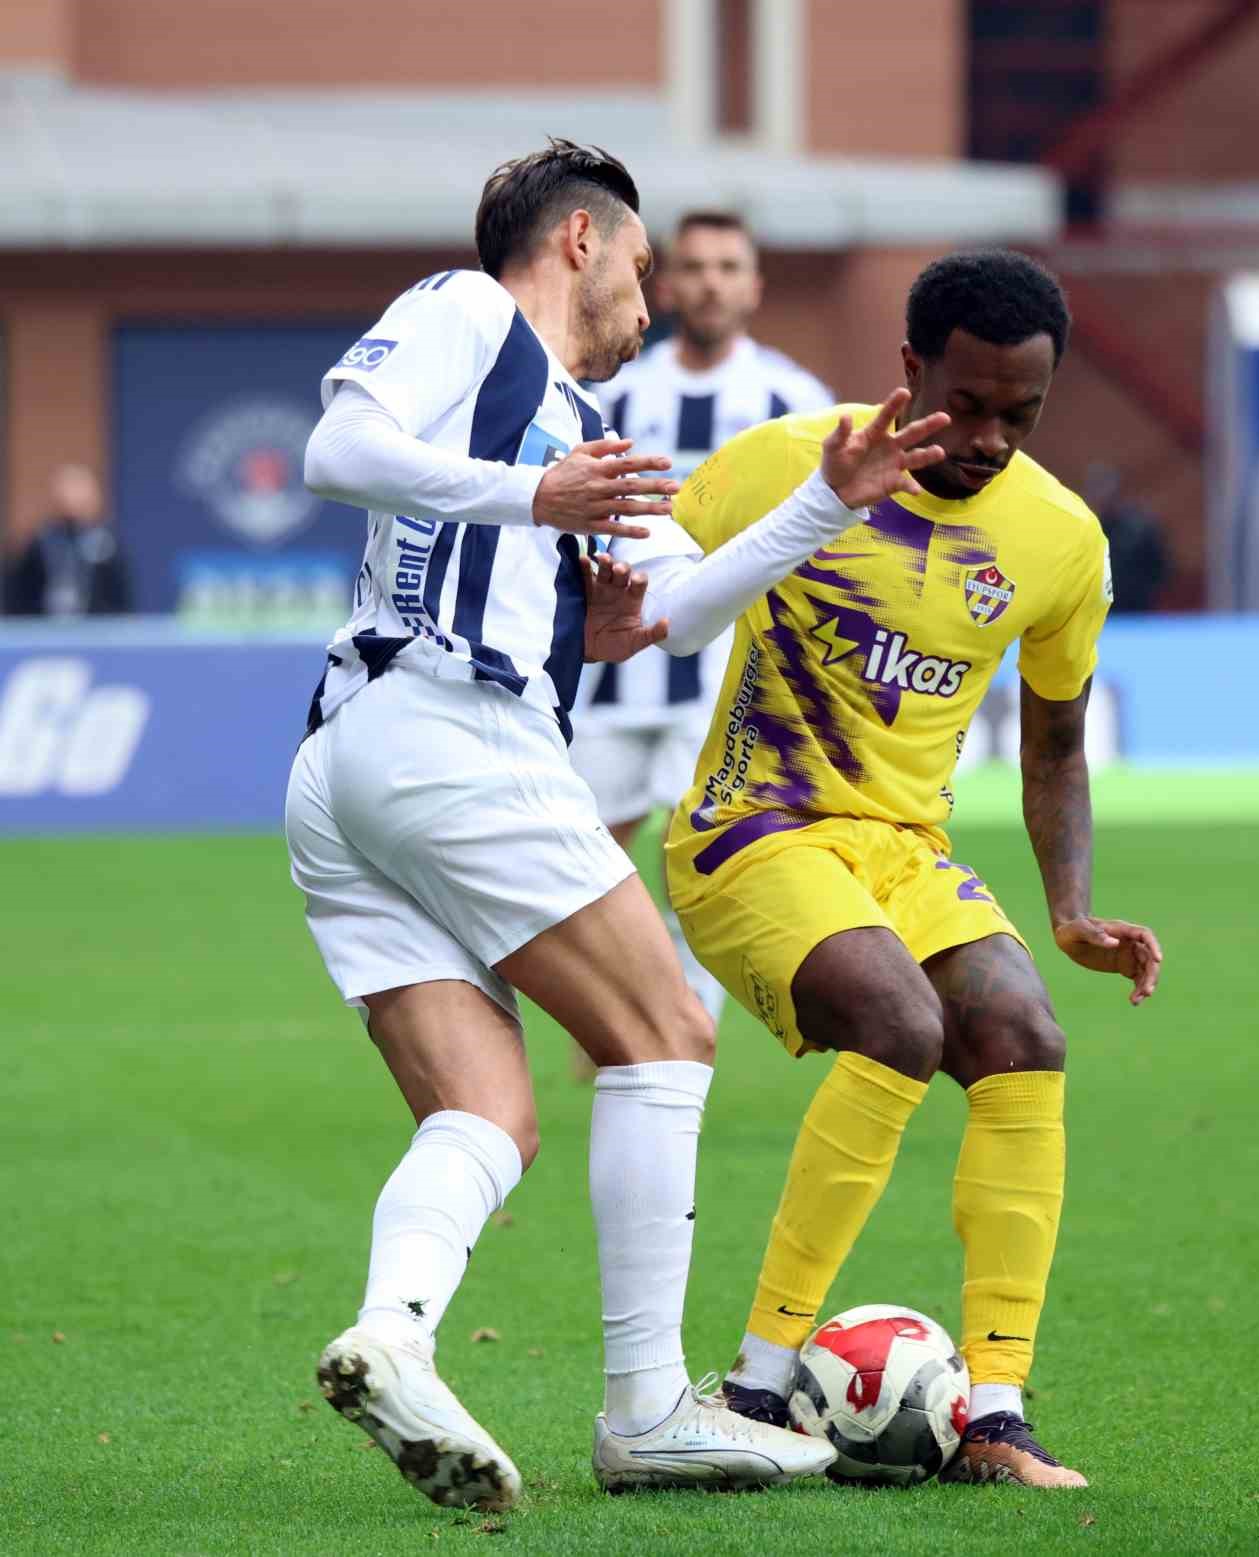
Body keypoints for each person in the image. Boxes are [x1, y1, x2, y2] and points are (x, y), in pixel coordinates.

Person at [287, 138, 949, 1506]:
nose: (649, 303)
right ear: (579, 242)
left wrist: (828, 500)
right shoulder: (474, 314)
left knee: (490, 1111)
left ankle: (393, 1333)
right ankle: (648, 1405)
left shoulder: (577, 431)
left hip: (356, 770)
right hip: (447, 735)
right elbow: (335, 449)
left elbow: (673, 611)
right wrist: (532, 501)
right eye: (642, 268)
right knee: (667, 1028)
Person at [658, 250, 1164, 1489]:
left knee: (1022, 1032)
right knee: (899, 1018)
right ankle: (754, 1386)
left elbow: (1054, 743)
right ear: (908, 370)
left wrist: (1072, 909)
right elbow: (637, 583)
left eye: (1020, 415)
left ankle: (995, 1414)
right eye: (967, 404)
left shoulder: (1057, 541)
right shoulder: (789, 461)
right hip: (747, 831)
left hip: (902, 852)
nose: (989, 438)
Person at [572, 211, 833, 1035]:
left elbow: (832, 527)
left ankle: (685, 1023)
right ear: (666, 282)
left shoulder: (795, 402)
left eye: (729, 266)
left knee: (695, 852)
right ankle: (625, 1005)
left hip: (728, 670)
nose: (711, 282)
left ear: (754, 286)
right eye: (694, 266)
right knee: (580, 851)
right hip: (608, 666)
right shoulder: (616, 393)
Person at [3, 464, 130, 616]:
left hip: (96, 632)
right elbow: (18, 595)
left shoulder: (107, 545)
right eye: (67, 493)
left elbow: (121, 598)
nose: (72, 500)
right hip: (43, 631)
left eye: (79, 493)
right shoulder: (39, 544)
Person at [1080, 462, 1170, 615]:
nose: (1103, 498)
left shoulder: (1139, 531)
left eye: (1107, 491)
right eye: (1098, 491)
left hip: (1135, 611)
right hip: (1096, 614)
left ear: (1117, 494)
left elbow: (1159, 567)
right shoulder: (1083, 531)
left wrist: (1144, 592)